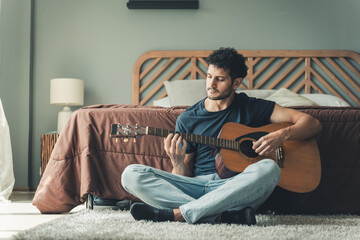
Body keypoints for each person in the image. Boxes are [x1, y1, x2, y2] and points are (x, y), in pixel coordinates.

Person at [121, 47, 322, 225]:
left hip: (234, 188)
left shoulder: (252, 107)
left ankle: (182, 214)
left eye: (220, 79)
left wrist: (281, 135)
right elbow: (184, 175)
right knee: (131, 174)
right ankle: (222, 216)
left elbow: (312, 123)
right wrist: (177, 162)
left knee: (270, 168)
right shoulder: (188, 118)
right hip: (196, 186)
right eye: (209, 76)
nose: (211, 84)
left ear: (236, 83)